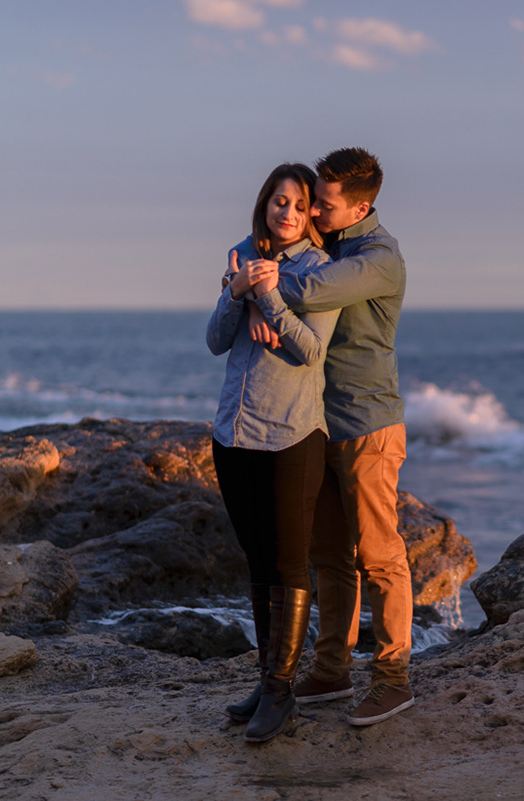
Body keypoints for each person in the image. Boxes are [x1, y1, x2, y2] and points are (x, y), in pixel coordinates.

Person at [236, 147, 412, 726]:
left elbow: (308, 292)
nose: (313, 213)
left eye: (325, 205)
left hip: (367, 425)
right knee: (329, 557)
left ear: (362, 205)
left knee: (380, 556)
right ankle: (332, 670)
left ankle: (393, 679)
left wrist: (249, 278)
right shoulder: (326, 247)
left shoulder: (379, 257)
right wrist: (246, 277)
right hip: (314, 424)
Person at [206, 162, 339, 743]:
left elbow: (311, 350)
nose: (285, 211)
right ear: (265, 204)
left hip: (290, 434)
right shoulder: (241, 253)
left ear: (313, 211)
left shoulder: (320, 269)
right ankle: (267, 678)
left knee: (288, 562)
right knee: (258, 561)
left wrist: (268, 298)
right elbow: (214, 340)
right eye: (277, 201)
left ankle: (283, 691)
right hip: (233, 433)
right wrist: (238, 293)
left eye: (297, 203)